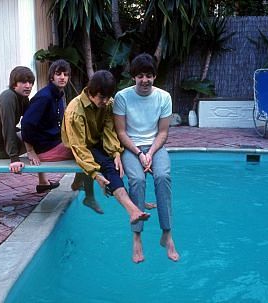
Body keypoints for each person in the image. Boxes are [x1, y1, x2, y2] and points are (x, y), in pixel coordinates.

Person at [113, 53, 179, 263]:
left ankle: (167, 235)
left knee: (163, 177)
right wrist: (140, 154)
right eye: (140, 76)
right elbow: (121, 133)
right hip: (131, 148)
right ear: (134, 77)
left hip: (155, 147)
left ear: (155, 77)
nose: (145, 80)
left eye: (149, 76)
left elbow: (163, 133)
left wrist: (150, 153)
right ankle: (137, 237)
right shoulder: (122, 97)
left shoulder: (164, 97)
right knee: (137, 180)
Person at [61, 70, 150, 225]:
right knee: (108, 166)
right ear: (90, 91)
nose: (106, 101)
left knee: (124, 157)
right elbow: (79, 147)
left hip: (98, 141)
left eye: (108, 97)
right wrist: (95, 173)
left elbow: (110, 129)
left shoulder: (108, 102)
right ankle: (132, 210)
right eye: (102, 97)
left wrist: (115, 152)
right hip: (81, 145)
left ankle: (135, 201)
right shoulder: (75, 111)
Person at [21, 60, 101, 212]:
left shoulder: (58, 94)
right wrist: (31, 151)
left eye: (65, 74)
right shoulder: (44, 97)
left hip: (54, 142)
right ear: (51, 77)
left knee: (84, 142)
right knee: (87, 150)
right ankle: (88, 195)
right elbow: (26, 123)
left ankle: (78, 182)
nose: (62, 77)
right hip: (45, 149)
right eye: (58, 74)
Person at [0, 66, 57, 191]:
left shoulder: (22, 98)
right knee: (36, 136)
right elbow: (8, 128)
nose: (28, 86)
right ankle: (43, 182)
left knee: (35, 131)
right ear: (14, 84)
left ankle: (43, 182)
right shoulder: (8, 97)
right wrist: (14, 159)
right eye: (23, 82)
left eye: (30, 82)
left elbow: (32, 121)